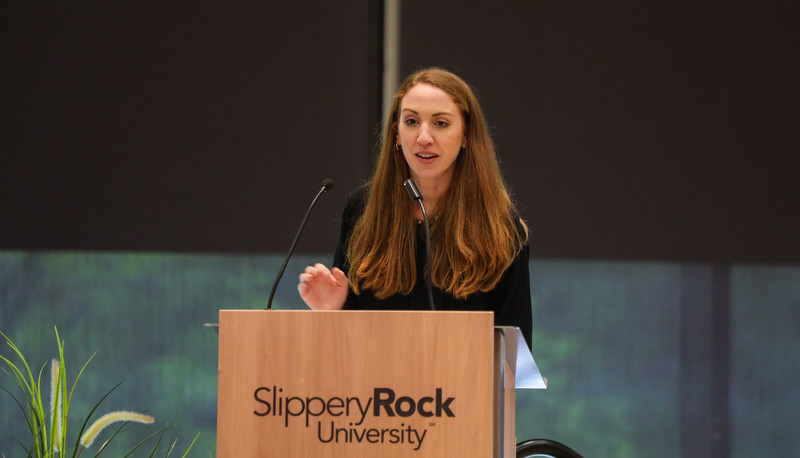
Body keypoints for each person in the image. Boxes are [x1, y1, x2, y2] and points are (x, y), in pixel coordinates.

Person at [297, 67, 532, 347]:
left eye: (441, 123)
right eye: (411, 121)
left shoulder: (501, 226)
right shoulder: (363, 209)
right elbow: (345, 348)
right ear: (396, 133)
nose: (423, 137)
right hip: (374, 387)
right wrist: (333, 311)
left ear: (467, 135)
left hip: (460, 389)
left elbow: (512, 356)